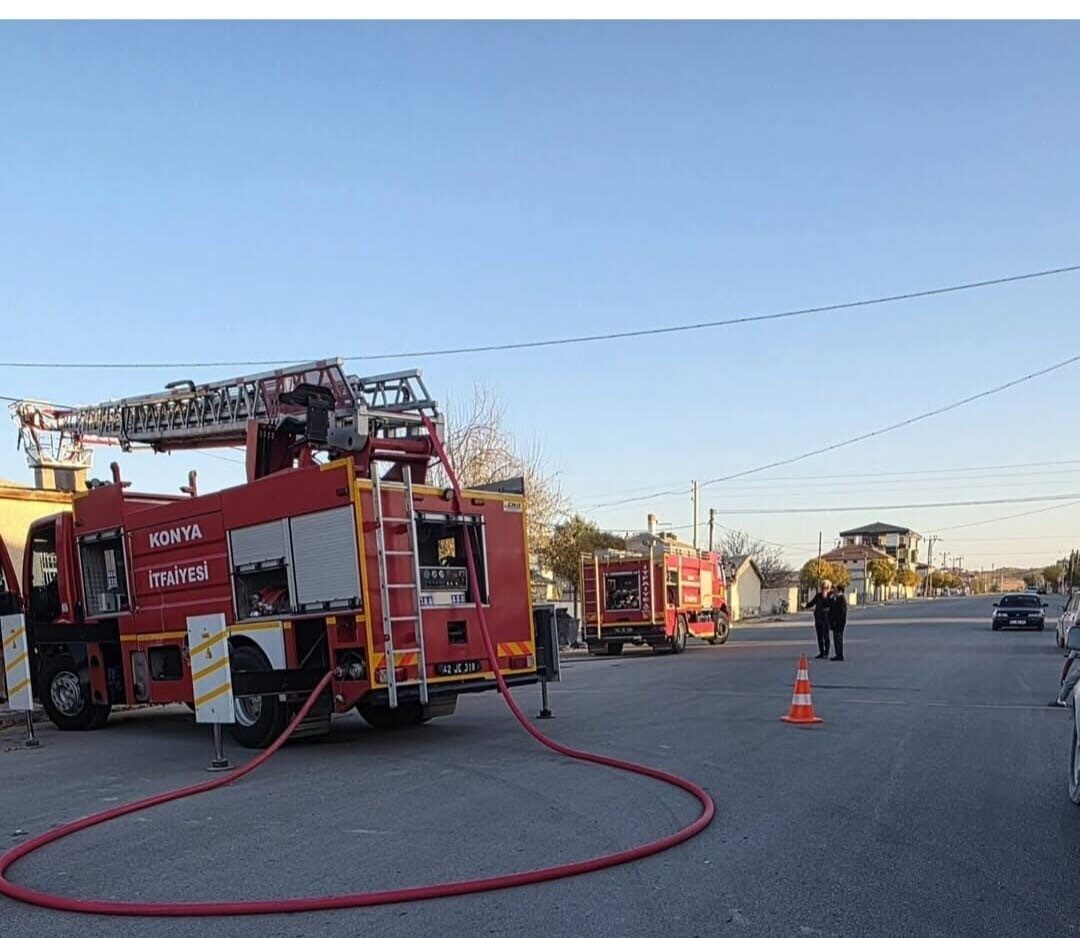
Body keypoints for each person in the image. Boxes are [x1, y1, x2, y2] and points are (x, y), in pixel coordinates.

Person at [804, 580, 831, 659]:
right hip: (818, 619)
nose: (823, 589)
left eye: (825, 587)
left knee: (826, 636)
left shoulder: (830, 596)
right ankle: (821, 652)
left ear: (828, 587)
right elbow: (812, 603)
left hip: (826, 619)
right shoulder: (818, 596)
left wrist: (825, 597)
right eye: (822, 587)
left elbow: (830, 606)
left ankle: (826, 652)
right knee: (819, 636)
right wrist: (806, 605)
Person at [828, 585, 848, 661]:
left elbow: (842, 613)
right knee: (836, 639)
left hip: (839, 623)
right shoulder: (836, 599)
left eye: (836, 590)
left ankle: (840, 655)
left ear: (839, 591)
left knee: (838, 639)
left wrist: (838, 622)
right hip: (835, 623)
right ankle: (838, 654)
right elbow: (831, 607)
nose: (834, 591)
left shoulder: (842, 600)